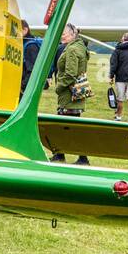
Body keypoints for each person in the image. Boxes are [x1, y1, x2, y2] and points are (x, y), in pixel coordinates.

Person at [50, 24, 91, 165]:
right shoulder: (80, 47)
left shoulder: (72, 49)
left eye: (64, 35)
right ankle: (60, 154)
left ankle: (79, 158)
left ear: (73, 35)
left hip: (69, 94)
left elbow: (70, 74)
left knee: (67, 127)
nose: (61, 37)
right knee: (70, 126)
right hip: (75, 93)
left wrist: (58, 87)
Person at [19, 20, 41, 92]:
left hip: (25, 88)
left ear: (25, 30)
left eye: (17, 29)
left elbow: (32, 71)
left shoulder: (30, 47)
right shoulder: (22, 43)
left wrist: (22, 86)